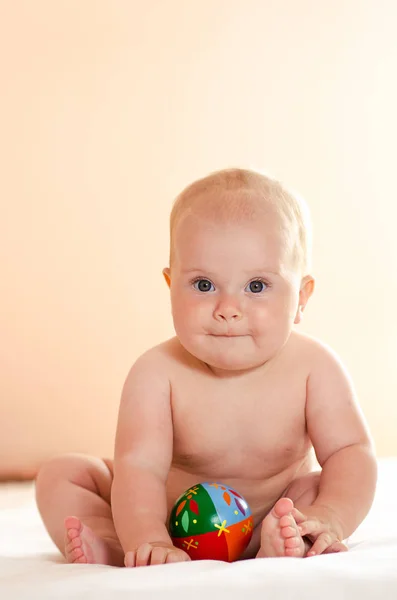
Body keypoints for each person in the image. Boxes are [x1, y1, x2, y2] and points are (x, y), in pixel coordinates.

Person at [35, 168, 377, 567]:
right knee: (64, 474)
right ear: (170, 285)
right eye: (203, 285)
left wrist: (330, 516)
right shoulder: (156, 373)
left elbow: (350, 451)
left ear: (301, 296)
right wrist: (147, 535)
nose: (228, 310)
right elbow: (140, 468)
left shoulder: (314, 368)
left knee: (320, 486)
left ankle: (288, 538)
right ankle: (113, 542)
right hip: (161, 521)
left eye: (256, 286)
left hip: (274, 513)